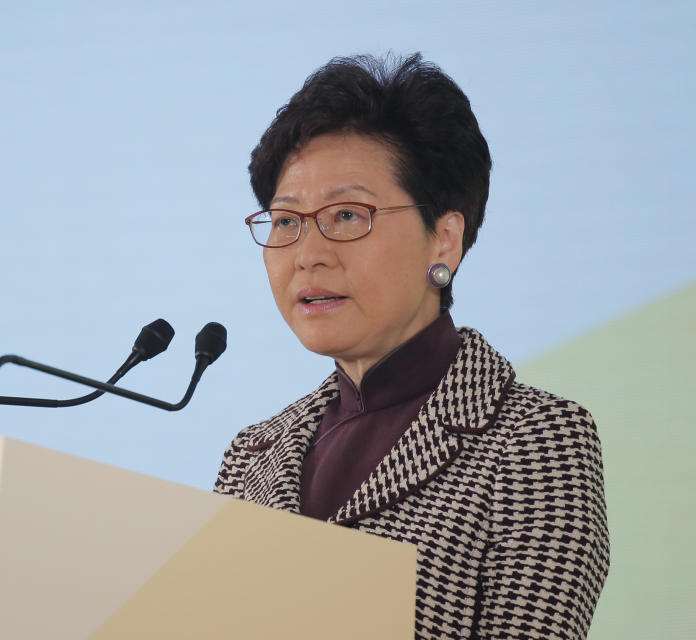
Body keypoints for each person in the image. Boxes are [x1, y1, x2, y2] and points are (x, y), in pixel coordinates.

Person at [213, 53, 609, 639]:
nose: (308, 252)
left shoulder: (535, 440)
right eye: (286, 220)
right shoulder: (249, 457)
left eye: (347, 215)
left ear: (443, 240)